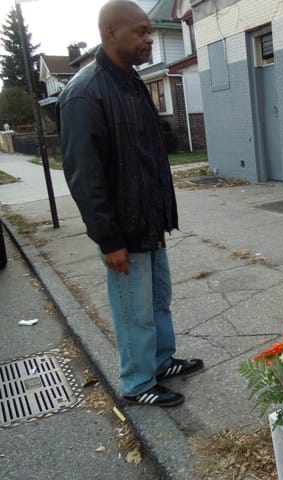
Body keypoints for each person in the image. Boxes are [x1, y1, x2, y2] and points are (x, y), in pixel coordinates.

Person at [57, 0, 203, 407]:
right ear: (110, 34)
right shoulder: (84, 95)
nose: (149, 39)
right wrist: (108, 240)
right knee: (132, 309)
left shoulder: (131, 81)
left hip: (149, 222)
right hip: (123, 230)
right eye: (140, 32)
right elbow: (85, 178)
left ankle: (160, 361)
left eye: (149, 31)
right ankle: (137, 384)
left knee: (157, 299)